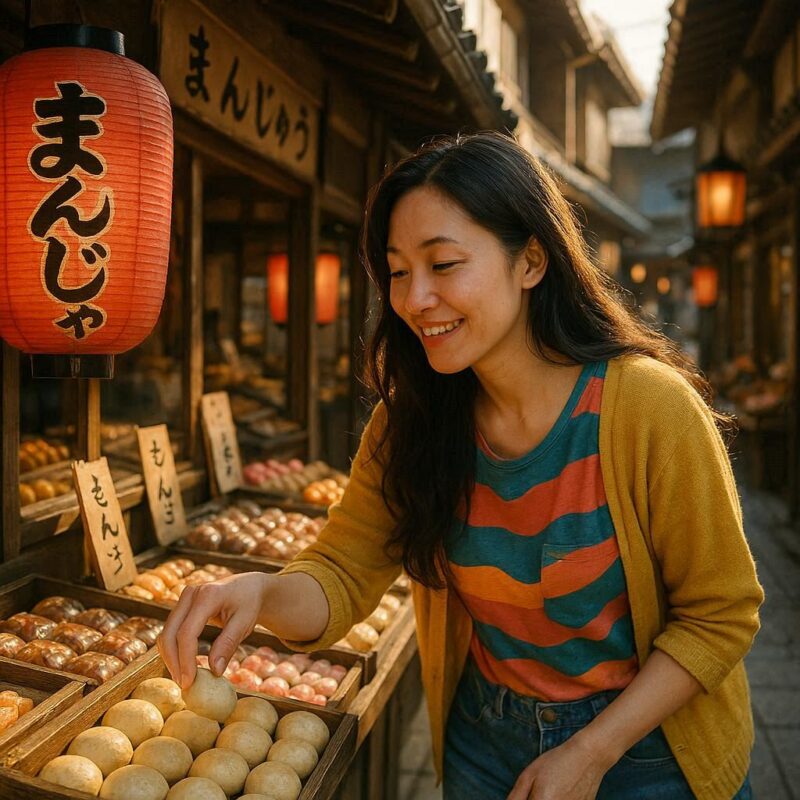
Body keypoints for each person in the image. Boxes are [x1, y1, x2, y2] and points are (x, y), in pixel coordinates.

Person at [158, 132, 764, 800]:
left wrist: (593, 751)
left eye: (443, 265)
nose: (415, 298)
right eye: (396, 270)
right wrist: (262, 594)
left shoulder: (648, 408)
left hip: (648, 749)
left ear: (531, 260)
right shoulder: (413, 418)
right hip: (484, 738)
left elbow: (721, 613)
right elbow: (342, 570)